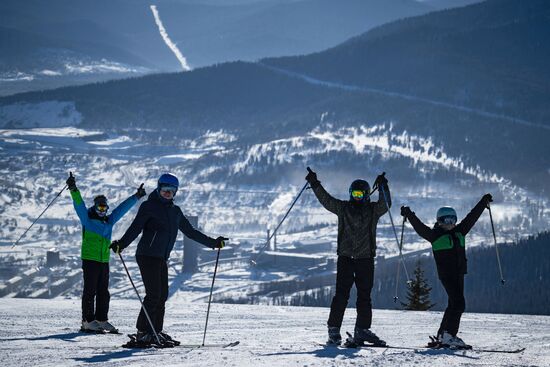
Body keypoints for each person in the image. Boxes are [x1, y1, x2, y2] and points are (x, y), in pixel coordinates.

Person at [110, 173, 227, 346]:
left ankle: (155, 331)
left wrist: (213, 243)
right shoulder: (149, 207)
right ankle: (143, 332)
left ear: (175, 192)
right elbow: (135, 228)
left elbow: (191, 232)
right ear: (158, 189)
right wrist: (122, 244)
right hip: (147, 255)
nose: (168, 193)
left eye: (171, 191)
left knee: (162, 295)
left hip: (161, 257)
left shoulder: (175, 211)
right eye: (165, 189)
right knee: (153, 295)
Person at [305, 167, 390, 346]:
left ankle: (362, 330)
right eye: (354, 193)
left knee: (364, 296)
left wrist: (383, 187)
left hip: (365, 259)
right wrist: (314, 183)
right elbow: (326, 200)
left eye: (360, 194)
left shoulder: (373, 210)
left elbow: (386, 204)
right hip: (346, 258)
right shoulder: (343, 208)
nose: (356, 197)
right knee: (341, 295)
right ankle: (334, 330)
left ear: (367, 195)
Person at [400, 193, 493, 348]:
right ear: (439, 221)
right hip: (447, 275)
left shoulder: (460, 231)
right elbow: (419, 226)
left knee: (453, 304)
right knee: (459, 303)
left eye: (453, 219)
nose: (450, 223)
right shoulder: (434, 235)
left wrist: (483, 202)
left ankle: (443, 334)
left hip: (459, 273)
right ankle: (449, 335)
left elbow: (472, 217)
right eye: (446, 220)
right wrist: (409, 214)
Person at [66, 172, 145, 333]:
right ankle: (87, 321)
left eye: (104, 207)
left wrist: (136, 197)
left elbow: (121, 210)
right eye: (100, 207)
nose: (102, 210)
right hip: (90, 259)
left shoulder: (109, 221)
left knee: (103, 291)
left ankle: (102, 320)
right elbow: (79, 204)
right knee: (90, 290)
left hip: (104, 260)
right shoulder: (87, 219)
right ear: (95, 207)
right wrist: (73, 188)